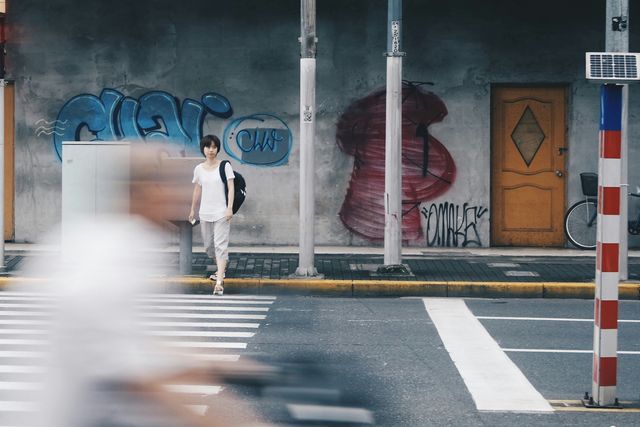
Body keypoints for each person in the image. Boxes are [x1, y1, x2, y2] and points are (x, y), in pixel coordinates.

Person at [189, 134, 235, 295]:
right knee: (209, 247)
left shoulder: (225, 166)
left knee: (221, 246)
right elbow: (197, 189)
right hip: (205, 213)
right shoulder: (199, 169)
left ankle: (220, 281)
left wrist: (229, 208)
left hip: (222, 212)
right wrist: (192, 210)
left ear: (217, 149)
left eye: (214, 147)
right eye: (208, 147)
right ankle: (222, 266)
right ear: (203, 148)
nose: (211, 150)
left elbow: (231, 188)